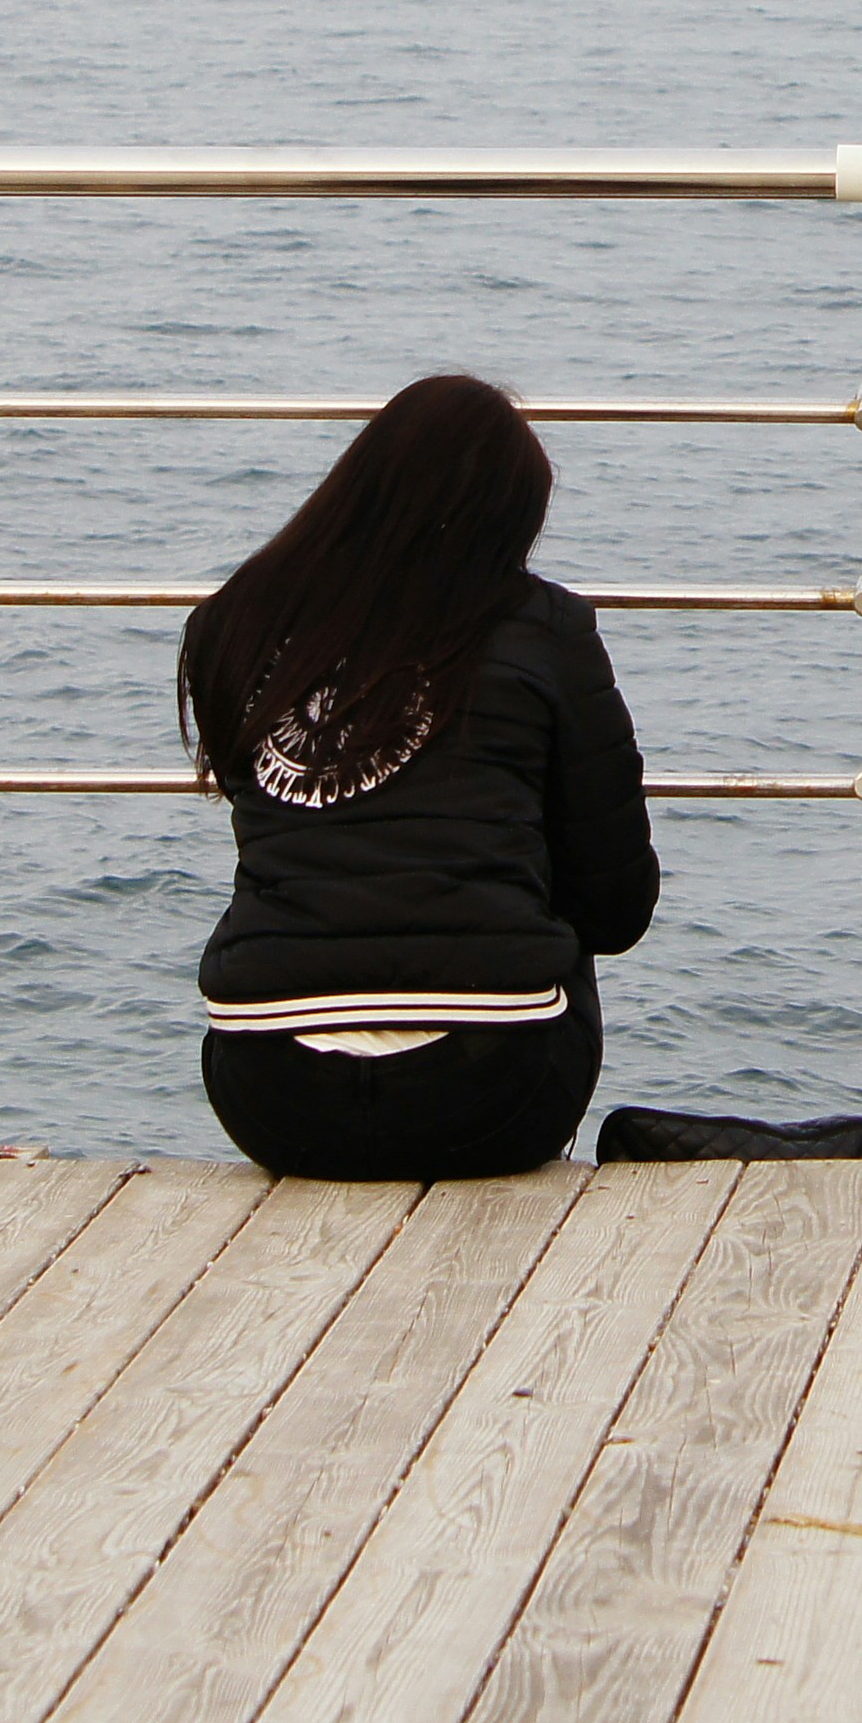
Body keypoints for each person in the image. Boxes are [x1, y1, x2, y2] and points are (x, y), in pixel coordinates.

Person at [180, 374, 656, 1179]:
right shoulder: (547, 630)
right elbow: (615, 909)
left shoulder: (237, 620)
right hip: (495, 1094)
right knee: (548, 921)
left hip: (271, 1093)